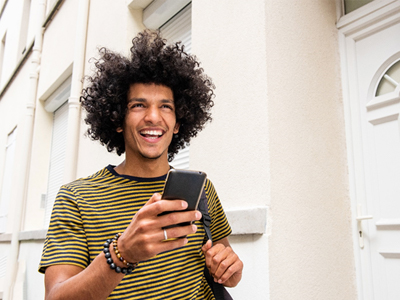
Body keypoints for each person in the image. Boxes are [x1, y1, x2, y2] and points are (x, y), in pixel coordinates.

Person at [39, 30, 243, 300]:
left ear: (179, 122)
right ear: (116, 119)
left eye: (166, 107)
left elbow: (227, 270)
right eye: (138, 105)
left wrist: (230, 270)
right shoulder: (76, 198)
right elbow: (56, 296)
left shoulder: (200, 190)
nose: (153, 117)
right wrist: (122, 254)